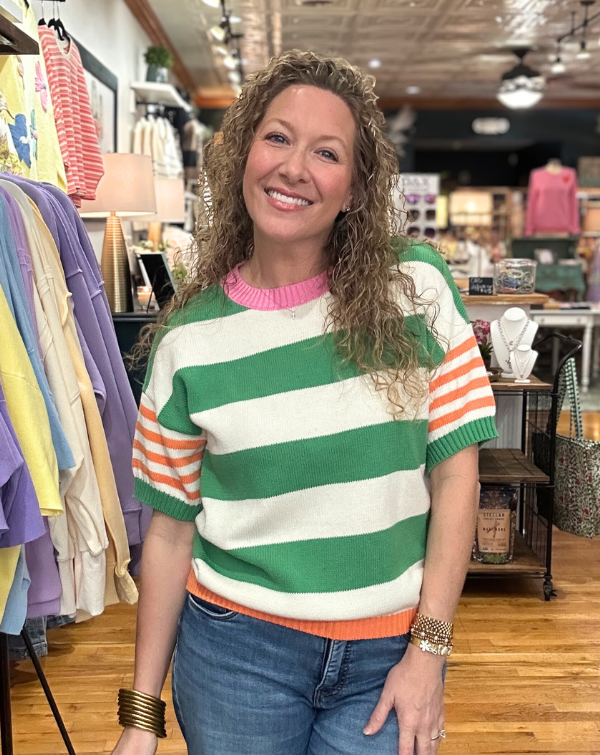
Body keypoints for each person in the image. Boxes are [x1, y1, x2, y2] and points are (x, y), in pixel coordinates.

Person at [112, 50, 497, 755]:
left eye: (326, 152)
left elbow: (456, 475)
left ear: (353, 187)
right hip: (235, 657)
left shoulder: (415, 290)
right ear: (244, 156)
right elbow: (168, 536)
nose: (294, 167)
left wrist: (432, 650)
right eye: (278, 137)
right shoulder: (187, 345)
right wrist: (140, 720)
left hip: (388, 653)